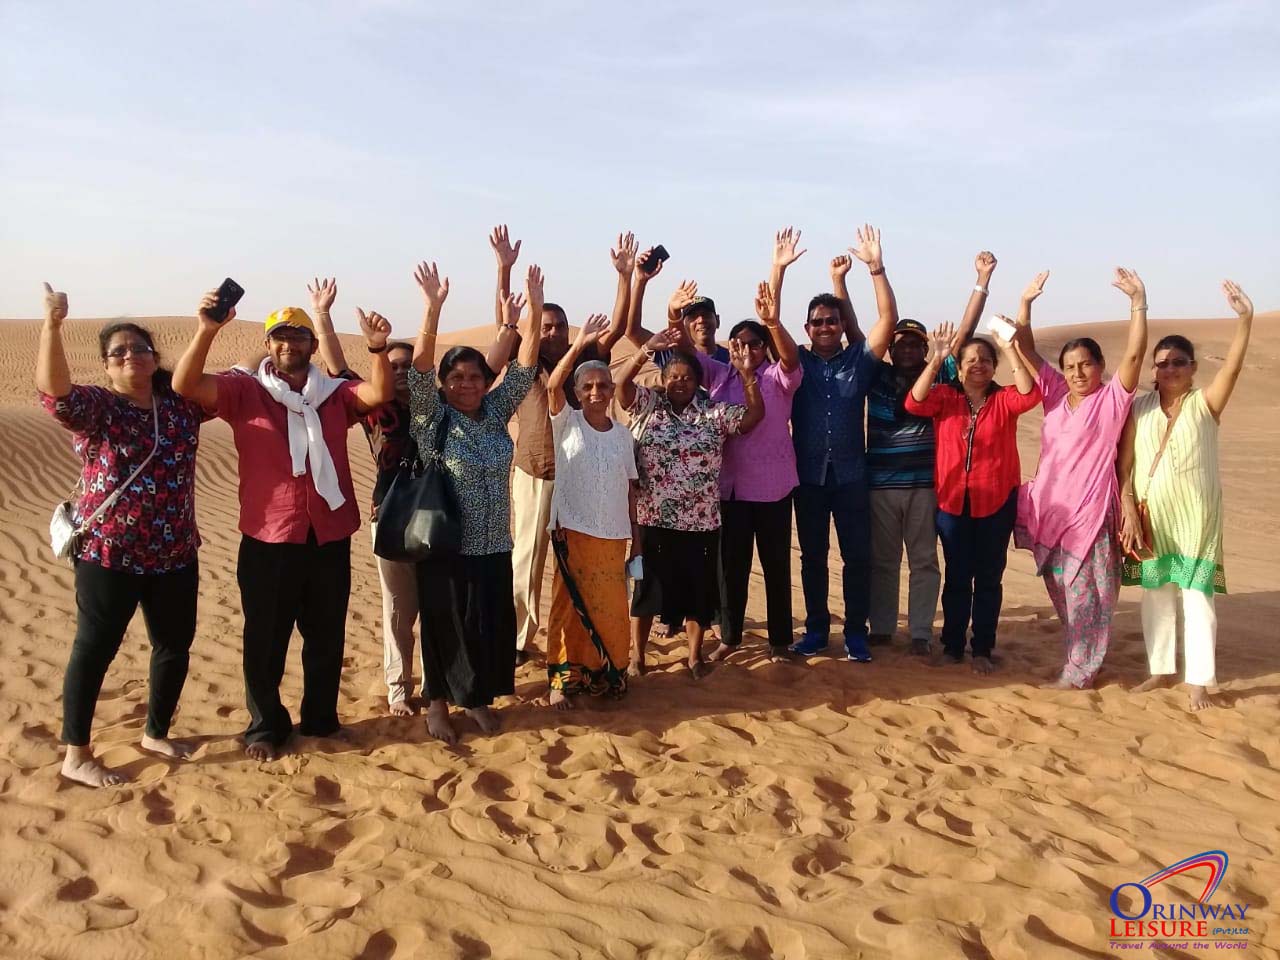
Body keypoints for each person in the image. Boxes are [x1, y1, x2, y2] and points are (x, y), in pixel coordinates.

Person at [173, 287, 394, 761]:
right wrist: (207, 330)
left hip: (328, 533)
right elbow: (186, 386)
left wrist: (377, 349)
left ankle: (321, 720)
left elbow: (378, 394)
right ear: (268, 345)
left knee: (326, 635)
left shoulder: (333, 394)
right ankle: (265, 726)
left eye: (297, 337)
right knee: (265, 639)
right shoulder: (245, 391)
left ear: (312, 345)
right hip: (268, 535)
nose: (288, 345)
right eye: (279, 337)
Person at [35, 284, 206, 787]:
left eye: (139, 348)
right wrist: (52, 325)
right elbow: (56, 393)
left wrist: (210, 329)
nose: (130, 355)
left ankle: (156, 733)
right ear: (107, 366)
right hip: (110, 554)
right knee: (94, 649)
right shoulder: (99, 408)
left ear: (155, 358)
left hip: (176, 552)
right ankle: (76, 754)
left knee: (173, 646)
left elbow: (226, 382)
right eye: (118, 352)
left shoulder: (181, 405)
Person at [407, 261, 543, 743]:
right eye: (457, 377)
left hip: (494, 544)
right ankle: (437, 705)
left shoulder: (495, 411)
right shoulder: (432, 418)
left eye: (475, 377)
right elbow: (419, 369)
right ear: (444, 382)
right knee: (445, 625)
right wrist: (432, 309)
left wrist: (534, 308)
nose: (466, 384)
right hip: (447, 545)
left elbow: (524, 368)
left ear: (486, 382)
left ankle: (477, 697)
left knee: (486, 626)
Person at [496, 226, 632, 664]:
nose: (552, 333)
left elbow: (618, 328)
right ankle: (518, 640)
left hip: (577, 480)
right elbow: (505, 323)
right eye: (546, 326)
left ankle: (577, 642)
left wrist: (625, 277)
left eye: (559, 327)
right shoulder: (526, 361)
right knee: (527, 559)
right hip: (535, 472)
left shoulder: (583, 364)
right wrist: (505, 269)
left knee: (576, 564)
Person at [1119, 280, 1254, 711]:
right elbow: (1124, 465)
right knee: (1157, 594)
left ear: (1193, 368)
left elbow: (1232, 370)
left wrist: (1244, 320)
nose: (1170, 369)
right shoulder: (1138, 408)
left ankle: (1199, 680)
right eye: (1162, 363)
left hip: (1197, 517)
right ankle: (1160, 670)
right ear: (1153, 369)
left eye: (1179, 362)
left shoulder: (1205, 404)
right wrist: (1127, 508)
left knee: (1197, 598)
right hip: (1151, 517)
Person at [1013, 268, 1149, 689]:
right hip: (1048, 514)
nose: (1077, 373)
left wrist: (1138, 302)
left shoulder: (1111, 399)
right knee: (1064, 597)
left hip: (1089, 516)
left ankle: (1079, 672)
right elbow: (1024, 347)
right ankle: (1083, 657)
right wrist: (1025, 304)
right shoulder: (1055, 394)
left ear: (1100, 366)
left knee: (1088, 597)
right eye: (1070, 366)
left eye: (1085, 364)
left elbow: (1135, 356)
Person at [679, 228, 805, 663]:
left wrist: (774, 302)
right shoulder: (718, 375)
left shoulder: (779, 377)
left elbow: (790, 356)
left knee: (775, 565)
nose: (746, 349)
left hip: (772, 488)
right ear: (728, 348)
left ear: (764, 347)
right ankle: (730, 636)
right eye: (738, 343)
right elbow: (682, 350)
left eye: (754, 343)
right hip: (729, 490)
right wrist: (674, 312)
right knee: (731, 568)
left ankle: (779, 641)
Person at [866, 252, 1001, 655]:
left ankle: (921, 632)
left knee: (924, 560)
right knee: (884, 561)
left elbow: (966, 332)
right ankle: (882, 627)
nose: (908, 349)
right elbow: (860, 332)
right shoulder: (876, 373)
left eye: (915, 343)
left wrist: (981, 280)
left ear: (925, 348)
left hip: (926, 485)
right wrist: (849, 280)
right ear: (891, 348)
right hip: (881, 486)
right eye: (901, 343)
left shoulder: (941, 373)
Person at [306, 278, 425, 718]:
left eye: (407, 365)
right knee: (397, 608)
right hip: (390, 516)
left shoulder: (440, 406)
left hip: (438, 518)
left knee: (437, 605)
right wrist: (322, 315)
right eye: (393, 365)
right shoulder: (374, 407)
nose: (400, 371)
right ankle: (398, 688)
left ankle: (436, 684)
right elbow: (337, 368)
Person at [618, 322, 765, 679]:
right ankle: (638, 657)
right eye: (673, 377)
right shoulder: (649, 405)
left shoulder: (714, 412)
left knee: (697, 595)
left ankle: (694, 656)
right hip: (652, 518)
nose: (679, 383)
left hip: (700, 521)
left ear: (699, 380)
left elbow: (752, 417)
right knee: (646, 592)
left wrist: (748, 377)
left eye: (686, 377)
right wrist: (645, 351)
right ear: (663, 379)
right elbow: (621, 387)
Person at [904, 320, 1040, 673]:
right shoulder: (945, 397)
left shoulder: (1003, 399)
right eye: (971, 360)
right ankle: (952, 646)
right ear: (960, 367)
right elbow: (914, 402)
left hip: (996, 502)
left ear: (994, 366)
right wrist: (937, 359)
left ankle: (982, 648)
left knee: (989, 578)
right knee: (958, 577)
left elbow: (1030, 395)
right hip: (952, 503)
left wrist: (1009, 348)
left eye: (986, 359)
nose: (978, 364)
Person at [789, 225, 898, 662]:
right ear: (807, 327)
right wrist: (778, 272)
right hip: (808, 477)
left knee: (857, 558)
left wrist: (876, 269)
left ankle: (856, 631)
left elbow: (888, 320)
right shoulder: (796, 362)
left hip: (852, 476)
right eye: (817, 322)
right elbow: (771, 323)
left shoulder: (860, 360)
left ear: (840, 326)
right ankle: (817, 629)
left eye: (831, 321)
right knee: (813, 558)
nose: (825, 327)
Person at [544, 314, 640, 707]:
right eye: (588, 386)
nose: (596, 392)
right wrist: (580, 343)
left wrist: (637, 544)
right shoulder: (566, 423)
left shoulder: (623, 436)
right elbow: (552, 385)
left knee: (610, 610)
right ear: (578, 392)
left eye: (603, 385)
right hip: (573, 531)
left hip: (613, 537)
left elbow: (630, 491)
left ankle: (607, 674)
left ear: (613, 390)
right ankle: (562, 681)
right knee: (568, 608)